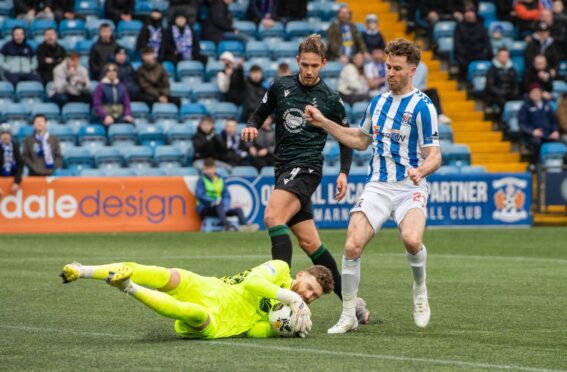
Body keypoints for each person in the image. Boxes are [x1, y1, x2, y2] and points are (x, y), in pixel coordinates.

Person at [303, 38, 441, 334]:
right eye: (387, 67)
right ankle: (349, 313)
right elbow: (360, 140)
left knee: (412, 240)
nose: (389, 73)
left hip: (409, 186)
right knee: (352, 246)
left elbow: (435, 155)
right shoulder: (378, 102)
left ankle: (420, 290)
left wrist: (422, 170)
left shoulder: (423, 107)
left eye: (396, 68)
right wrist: (324, 122)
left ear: (411, 70)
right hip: (378, 185)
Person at [241, 35, 369, 324]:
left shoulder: (330, 99)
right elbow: (261, 111)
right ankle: (352, 303)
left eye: (315, 65)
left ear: (324, 64)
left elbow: (346, 139)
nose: (309, 70)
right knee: (311, 244)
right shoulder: (281, 86)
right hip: (283, 168)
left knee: (273, 217)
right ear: (298, 61)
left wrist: (344, 173)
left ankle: (280, 296)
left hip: (307, 167)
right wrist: (251, 125)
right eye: (304, 64)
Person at [59, 258, 334, 339]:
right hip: (210, 288)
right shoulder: (281, 270)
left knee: (193, 314)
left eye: (314, 297)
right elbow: (252, 283)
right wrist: (290, 297)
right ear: (300, 274)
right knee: (163, 274)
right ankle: (82, 270)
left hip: (221, 323)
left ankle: (128, 287)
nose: (307, 296)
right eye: (309, 287)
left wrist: (281, 330)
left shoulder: (290, 311)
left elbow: (254, 331)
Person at [196, 157, 259, 231]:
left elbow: (226, 195)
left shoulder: (220, 179)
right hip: (204, 208)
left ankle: (244, 226)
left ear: (215, 168)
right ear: (204, 169)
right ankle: (226, 226)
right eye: (207, 168)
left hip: (219, 208)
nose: (209, 171)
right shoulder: (201, 180)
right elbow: (200, 195)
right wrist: (213, 202)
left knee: (238, 209)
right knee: (218, 204)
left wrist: (226, 205)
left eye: (211, 168)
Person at [519, 84, 560, 162]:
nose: (536, 94)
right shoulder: (525, 107)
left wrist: (555, 131)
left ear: (541, 93)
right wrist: (532, 131)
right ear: (529, 94)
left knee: (561, 141)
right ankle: (536, 165)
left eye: (537, 92)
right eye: (533, 93)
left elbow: (554, 121)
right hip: (533, 136)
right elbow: (522, 124)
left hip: (548, 134)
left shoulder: (547, 106)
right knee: (536, 143)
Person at [453, 5, 492, 79]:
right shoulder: (459, 27)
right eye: (467, 12)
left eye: (470, 12)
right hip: (464, 55)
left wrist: (488, 54)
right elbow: (457, 44)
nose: (468, 14)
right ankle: (464, 82)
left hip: (479, 54)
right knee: (462, 61)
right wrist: (464, 53)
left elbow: (487, 43)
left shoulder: (481, 27)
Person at [485, 47, 519, 114]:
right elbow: (490, 86)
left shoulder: (512, 69)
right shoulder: (492, 70)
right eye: (502, 56)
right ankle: (502, 122)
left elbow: (515, 84)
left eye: (505, 56)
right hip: (496, 95)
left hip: (509, 94)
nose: (504, 57)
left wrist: (514, 93)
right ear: (498, 56)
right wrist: (502, 93)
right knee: (502, 102)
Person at [0, 124, 23, 196]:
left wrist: (17, 182)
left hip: (12, 178)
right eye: (3, 133)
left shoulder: (15, 146)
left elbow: (20, 164)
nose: (5, 136)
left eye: (7, 133)